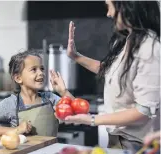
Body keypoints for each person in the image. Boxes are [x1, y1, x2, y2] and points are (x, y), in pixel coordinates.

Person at [56, 0, 160, 153]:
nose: (108, 13)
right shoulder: (129, 40)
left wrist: (92, 119)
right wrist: (75, 56)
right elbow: (110, 70)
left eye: (110, 7)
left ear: (126, 6)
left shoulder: (150, 48)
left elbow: (143, 111)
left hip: (137, 144)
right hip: (119, 139)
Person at [0, 49, 73, 136]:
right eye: (34, 69)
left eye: (42, 68)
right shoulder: (11, 103)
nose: (41, 73)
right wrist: (16, 130)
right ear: (18, 78)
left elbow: (77, 112)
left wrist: (63, 91)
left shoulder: (50, 98)